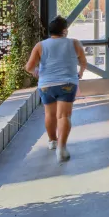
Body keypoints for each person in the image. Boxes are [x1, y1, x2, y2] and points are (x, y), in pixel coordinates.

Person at [25, 15, 87, 162]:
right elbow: (83, 62)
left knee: (49, 114)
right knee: (63, 116)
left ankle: (52, 141)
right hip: (67, 84)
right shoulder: (74, 43)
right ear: (64, 30)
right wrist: (80, 73)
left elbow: (29, 67)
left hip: (46, 85)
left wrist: (36, 73)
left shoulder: (40, 45)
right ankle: (61, 147)